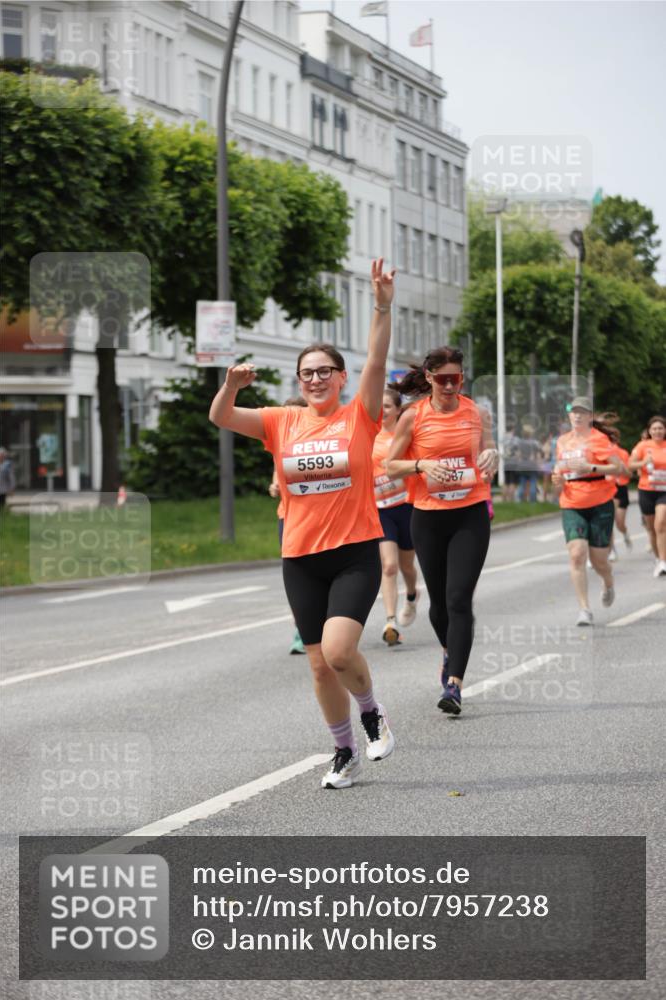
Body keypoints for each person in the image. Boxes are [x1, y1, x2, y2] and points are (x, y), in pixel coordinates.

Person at [209, 258, 397, 789]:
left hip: (354, 551)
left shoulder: (359, 414)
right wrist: (231, 386)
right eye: (307, 373)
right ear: (299, 381)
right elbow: (221, 417)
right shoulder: (281, 420)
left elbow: (378, 356)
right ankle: (343, 753)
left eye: (325, 372)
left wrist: (381, 304)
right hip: (300, 557)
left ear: (341, 377)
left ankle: (372, 712)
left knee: (339, 652)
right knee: (317, 665)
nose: (316, 379)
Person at [386, 346, 499, 716]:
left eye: (458, 379)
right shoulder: (413, 417)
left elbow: (489, 453)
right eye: (444, 379)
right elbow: (391, 466)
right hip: (428, 516)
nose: (451, 386)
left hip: (470, 514)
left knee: (458, 598)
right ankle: (449, 649)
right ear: (430, 379)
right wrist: (421, 465)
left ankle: (454, 685)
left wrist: (492, 457)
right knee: (438, 605)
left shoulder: (476, 413)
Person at [551, 398, 623, 626]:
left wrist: (591, 468)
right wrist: (556, 478)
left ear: (590, 417)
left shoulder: (599, 440)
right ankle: (584, 609)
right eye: (574, 413)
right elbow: (559, 468)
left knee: (599, 560)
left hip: (600, 502)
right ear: (569, 416)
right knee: (577, 554)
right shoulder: (562, 441)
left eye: (582, 413)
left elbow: (618, 468)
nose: (577, 416)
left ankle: (608, 582)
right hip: (572, 503)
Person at [372, 387, 419, 646]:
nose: (382, 411)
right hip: (381, 509)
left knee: (406, 566)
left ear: (398, 410)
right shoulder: (368, 437)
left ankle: (412, 594)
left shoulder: (404, 437)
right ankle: (390, 621)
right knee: (388, 566)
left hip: (406, 506)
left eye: (387, 407)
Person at [269, 396, 308, 654]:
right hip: (288, 518)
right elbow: (277, 475)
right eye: (287, 415)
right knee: (297, 577)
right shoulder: (281, 442)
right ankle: (301, 629)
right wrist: (274, 486)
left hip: (319, 520)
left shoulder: (321, 444)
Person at [629, 415, 666, 577]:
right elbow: (629, 465)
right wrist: (643, 463)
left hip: (664, 491)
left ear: (665, 430)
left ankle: (664, 561)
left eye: (660, 428)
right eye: (654, 429)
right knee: (651, 529)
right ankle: (658, 559)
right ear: (649, 431)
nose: (657, 431)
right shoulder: (643, 446)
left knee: (661, 524)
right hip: (646, 490)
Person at [605, 423, 633, 557]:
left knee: (619, 522)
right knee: (609, 519)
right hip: (609, 488)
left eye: (614, 438)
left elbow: (630, 475)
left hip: (621, 488)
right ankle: (612, 549)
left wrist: (622, 468)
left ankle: (625, 533)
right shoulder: (602, 452)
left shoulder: (623, 453)